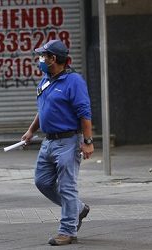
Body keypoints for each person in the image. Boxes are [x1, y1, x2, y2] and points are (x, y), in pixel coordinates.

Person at [21, 40, 94, 246]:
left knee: (67, 186)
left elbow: (85, 114)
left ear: (54, 59)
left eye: (44, 56)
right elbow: (43, 108)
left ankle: (67, 231)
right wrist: (31, 130)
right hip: (48, 141)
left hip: (68, 141)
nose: (40, 60)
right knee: (42, 182)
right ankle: (77, 209)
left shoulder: (74, 81)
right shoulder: (46, 79)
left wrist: (87, 141)